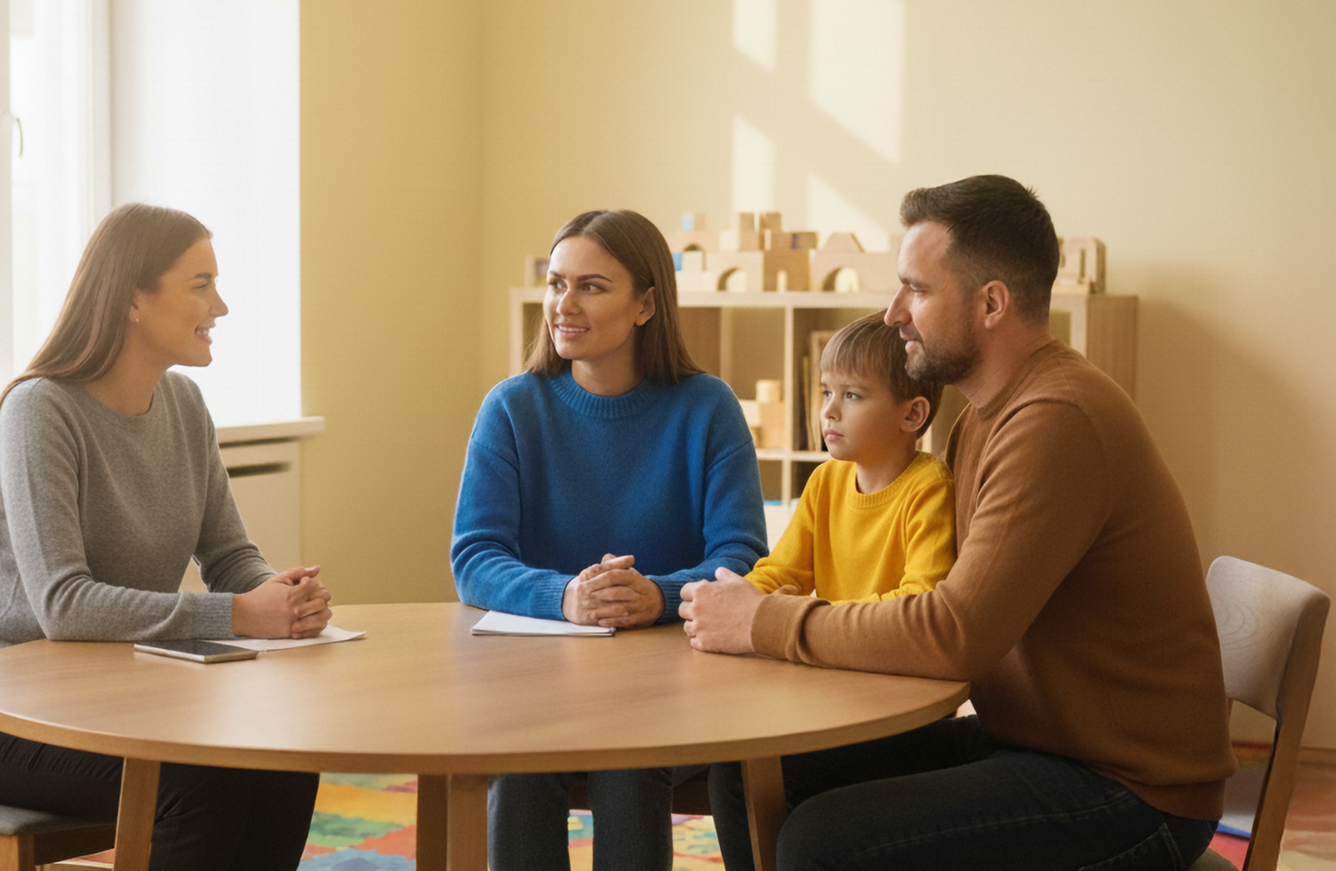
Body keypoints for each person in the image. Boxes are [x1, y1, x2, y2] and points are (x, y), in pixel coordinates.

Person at [681, 175, 1236, 871]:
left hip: (1129, 788)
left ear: (991, 303)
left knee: (821, 841)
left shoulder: (1054, 420)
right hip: (1037, 741)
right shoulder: (982, 420)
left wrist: (762, 621)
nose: (892, 313)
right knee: (754, 769)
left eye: (916, 289)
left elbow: (954, 632)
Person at [0, 203, 330, 871]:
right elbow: (63, 604)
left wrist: (276, 595)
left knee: (283, 757)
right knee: (201, 781)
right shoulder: (41, 410)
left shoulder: (183, 405)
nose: (222, 306)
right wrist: (242, 614)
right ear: (132, 300)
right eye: (201, 284)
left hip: (128, 701)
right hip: (8, 719)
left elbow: (228, 553)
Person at [451, 209, 767, 871]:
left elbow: (742, 556)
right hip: (540, 686)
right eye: (557, 283)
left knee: (629, 763)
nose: (565, 304)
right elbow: (475, 556)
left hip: (676, 680)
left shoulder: (708, 407)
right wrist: (567, 595)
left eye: (591, 286)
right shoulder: (512, 407)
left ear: (647, 303)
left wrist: (656, 595)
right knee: (521, 763)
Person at [733, 309, 955, 604]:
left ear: (912, 414)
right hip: (827, 643)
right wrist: (738, 597)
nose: (828, 411)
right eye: (827, 393)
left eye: (852, 395)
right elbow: (779, 572)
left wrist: (811, 612)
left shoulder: (929, 487)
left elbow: (918, 601)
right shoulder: (825, 480)